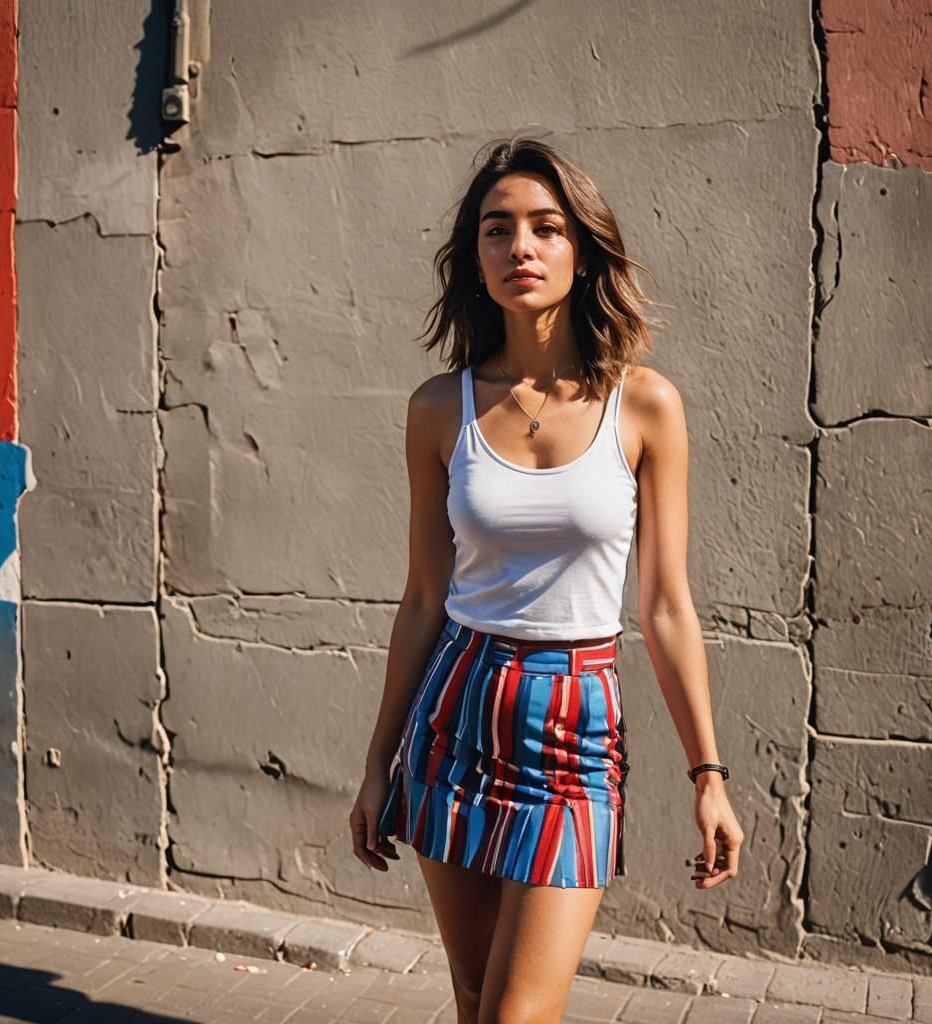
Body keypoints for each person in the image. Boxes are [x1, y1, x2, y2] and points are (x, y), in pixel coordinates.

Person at [350, 136, 744, 1024]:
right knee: (472, 996)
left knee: (515, 1016)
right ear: (475, 258)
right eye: (498, 229)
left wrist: (707, 774)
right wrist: (378, 765)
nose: (520, 246)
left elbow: (666, 606)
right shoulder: (438, 408)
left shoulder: (645, 404)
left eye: (545, 227)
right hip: (456, 709)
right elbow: (423, 598)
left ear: (583, 250)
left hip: (575, 723)